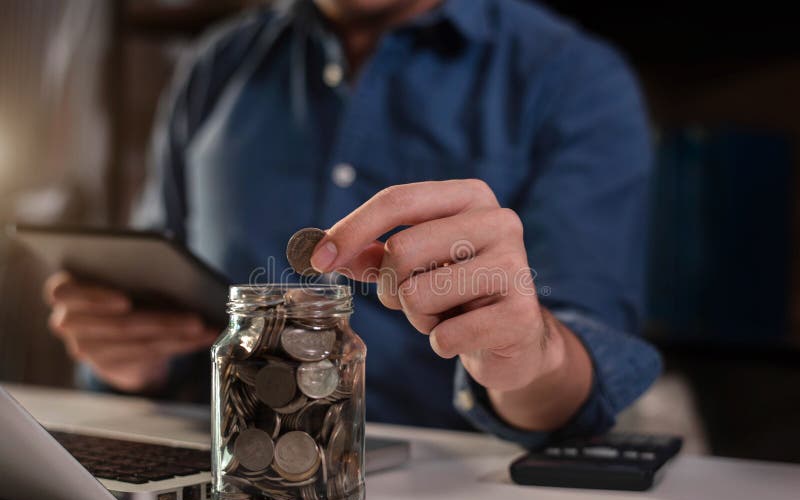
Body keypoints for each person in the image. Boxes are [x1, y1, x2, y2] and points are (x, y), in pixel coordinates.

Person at [44, 0, 660, 448]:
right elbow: (162, 296)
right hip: (228, 467)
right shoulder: (216, 66)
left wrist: (531, 355)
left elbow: (589, 356)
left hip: (459, 490)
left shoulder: (575, 79)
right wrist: (127, 353)